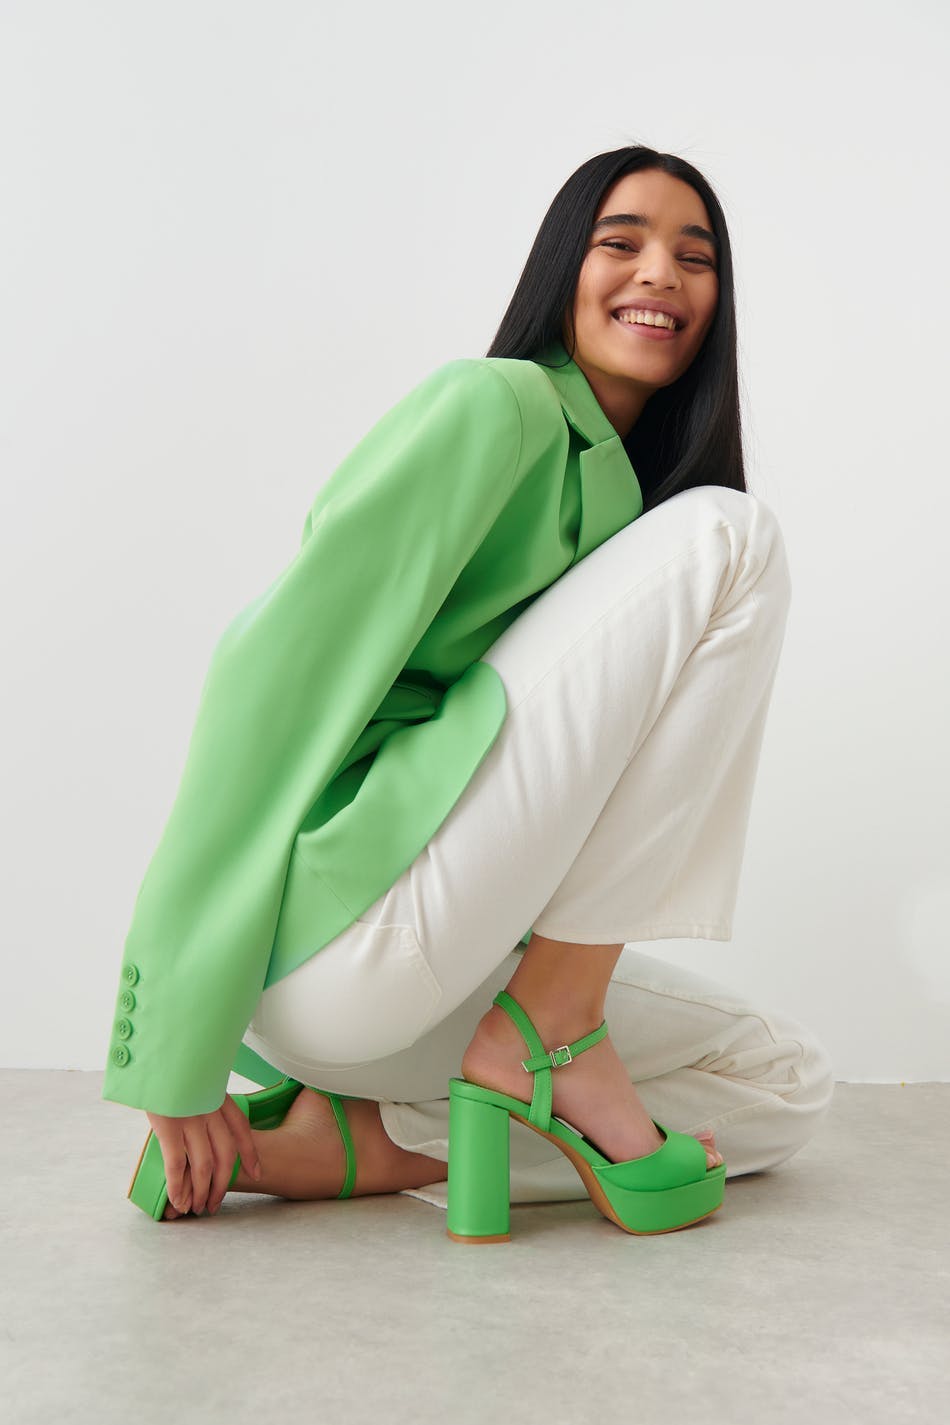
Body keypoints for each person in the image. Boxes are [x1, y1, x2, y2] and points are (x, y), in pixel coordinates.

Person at [103, 145, 834, 1238]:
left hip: (439, 970)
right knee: (731, 535)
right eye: (621, 242)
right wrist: (172, 1045)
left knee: (780, 1080)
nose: (660, 274)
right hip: (340, 934)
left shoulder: (630, 503)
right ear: (562, 267)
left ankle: (366, 1142)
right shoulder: (497, 406)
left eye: (695, 258)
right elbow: (265, 686)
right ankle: (553, 1028)